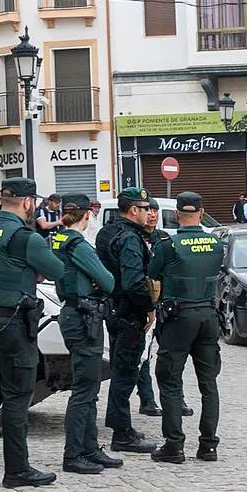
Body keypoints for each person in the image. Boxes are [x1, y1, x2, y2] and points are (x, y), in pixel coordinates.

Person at [0, 177, 65, 489]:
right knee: (18, 396)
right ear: (28, 202)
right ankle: (17, 469)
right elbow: (56, 270)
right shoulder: (25, 237)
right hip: (13, 323)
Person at [147, 191, 225, 464]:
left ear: (178, 214)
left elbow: (153, 275)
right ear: (202, 213)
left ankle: (174, 445)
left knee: (169, 380)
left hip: (178, 317)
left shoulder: (168, 244)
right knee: (208, 383)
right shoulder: (216, 243)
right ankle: (208, 446)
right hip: (208, 315)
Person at [50, 194, 119, 476]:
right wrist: (97, 279)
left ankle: (90, 448)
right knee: (85, 389)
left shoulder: (56, 239)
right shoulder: (77, 244)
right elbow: (108, 281)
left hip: (73, 312)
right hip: (83, 317)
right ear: (87, 215)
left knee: (88, 387)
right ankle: (75, 453)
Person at [95, 187, 158, 454]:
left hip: (112, 308)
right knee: (126, 373)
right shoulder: (131, 239)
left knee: (121, 370)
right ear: (134, 210)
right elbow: (134, 282)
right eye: (146, 209)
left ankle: (120, 425)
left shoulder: (106, 231)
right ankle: (122, 433)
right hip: (129, 311)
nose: (150, 214)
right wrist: (150, 307)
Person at [137, 199, 194, 420]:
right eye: (148, 210)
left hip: (167, 304)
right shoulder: (136, 238)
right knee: (145, 355)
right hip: (145, 303)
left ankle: (176, 399)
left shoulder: (164, 239)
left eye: (155, 210)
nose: (152, 215)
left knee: (172, 356)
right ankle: (147, 399)